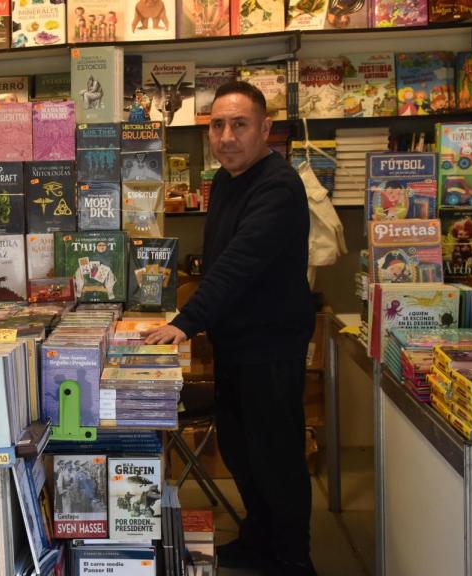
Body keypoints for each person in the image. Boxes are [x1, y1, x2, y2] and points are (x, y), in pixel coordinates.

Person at [145, 81, 316, 576]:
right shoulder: (224, 180)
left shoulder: (277, 186)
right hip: (236, 342)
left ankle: (293, 556)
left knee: (276, 454)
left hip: (272, 344)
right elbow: (219, 258)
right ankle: (259, 539)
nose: (226, 136)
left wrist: (187, 321)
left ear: (265, 129)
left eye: (239, 125)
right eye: (217, 125)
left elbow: (240, 263)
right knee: (241, 449)